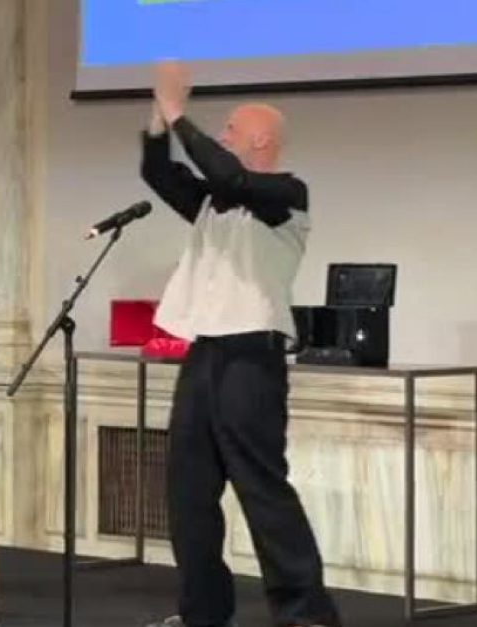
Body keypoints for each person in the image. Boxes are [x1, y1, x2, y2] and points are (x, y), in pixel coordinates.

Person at [139, 62, 342, 627]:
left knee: (261, 488)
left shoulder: (287, 194)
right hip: (205, 353)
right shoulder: (214, 200)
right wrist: (159, 113)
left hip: (253, 355)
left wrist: (180, 113)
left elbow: (230, 179)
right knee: (188, 492)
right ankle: (202, 613)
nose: (222, 134)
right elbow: (157, 172)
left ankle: (305, 616)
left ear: (261, 140)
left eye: (231, 127)